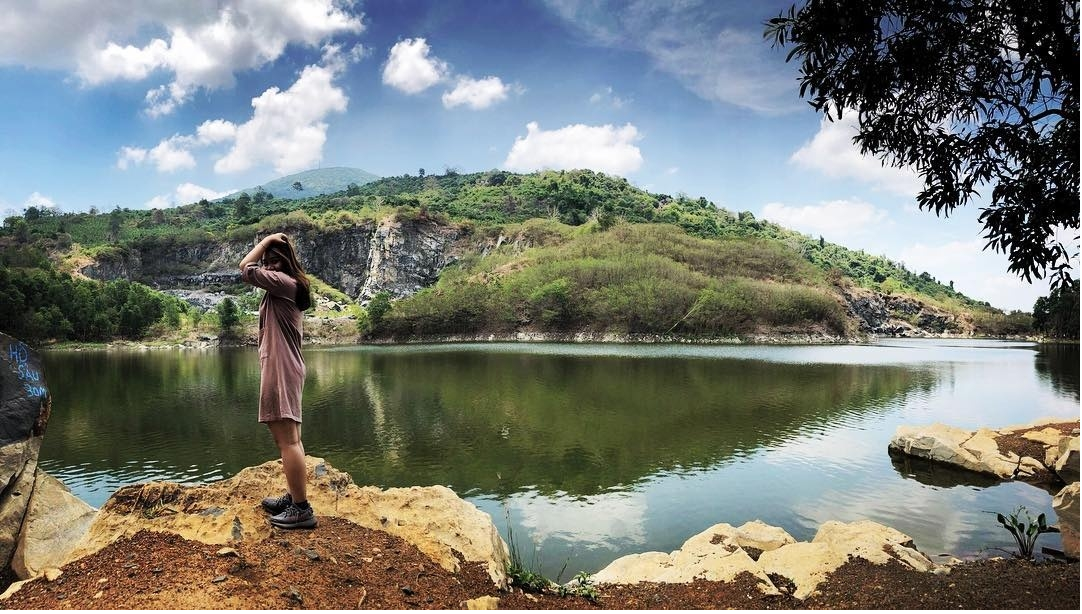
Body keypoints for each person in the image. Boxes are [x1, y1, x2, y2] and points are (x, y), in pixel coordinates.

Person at [239, 232, 315, 529]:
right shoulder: (286, 286)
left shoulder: (285, 284)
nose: (267, 267)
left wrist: (264, 241)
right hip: (284, 367)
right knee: (288, 438)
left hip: (281, 368)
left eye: (274, 262)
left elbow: (245, 268)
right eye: (267, 262)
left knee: (288, 440)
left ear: (285, 263)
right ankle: (295, 496)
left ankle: (301, 509)